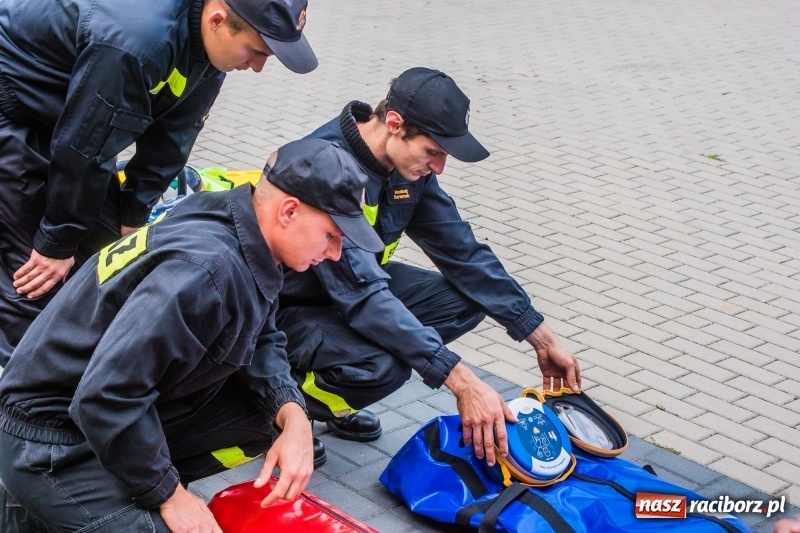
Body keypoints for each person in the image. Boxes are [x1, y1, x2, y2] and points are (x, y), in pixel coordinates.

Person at [0, 139, 384, 532]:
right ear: (289, 211)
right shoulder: (206, 272)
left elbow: (262, 334)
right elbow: (105, 396)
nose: (336, 253)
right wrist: (168, 494)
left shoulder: (237, 226)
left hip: (83, 409)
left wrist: (294, 414)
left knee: (259, 416)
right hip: (47, 438)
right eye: (332, 235)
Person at [277, 67, 582, 466]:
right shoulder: (327, 166)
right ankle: (286, 407)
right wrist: (458, 378)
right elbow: (362, 295)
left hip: (353, 292)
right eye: (433, 151)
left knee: (467, 299)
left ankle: (329, 394)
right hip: (290, 308)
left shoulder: (403, 169)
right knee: (383, 367)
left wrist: (541, 336)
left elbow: (463, 252)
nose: (439, 167)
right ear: (394, 123)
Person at [0, 0, 318, 367]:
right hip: (14, 106)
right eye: (257, 50)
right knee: (34, 271)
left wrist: (134, 210)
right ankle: (20, 399)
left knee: (105, 258)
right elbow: (84, 146)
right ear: (217, 20)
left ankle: (78, 373)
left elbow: (174, 133)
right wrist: (56, 242)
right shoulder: (137, 40)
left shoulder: (208, 45)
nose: (259, 67)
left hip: (76, 120)